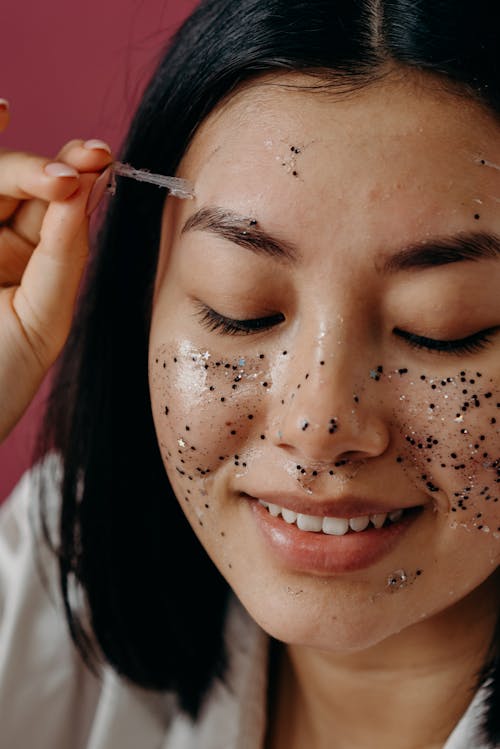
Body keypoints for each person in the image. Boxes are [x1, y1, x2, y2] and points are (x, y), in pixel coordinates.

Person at [0, 0, 499, 746]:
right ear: (149, 291)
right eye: (242, 311)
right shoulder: (55, 582)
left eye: (442, 327)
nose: (319, 424)